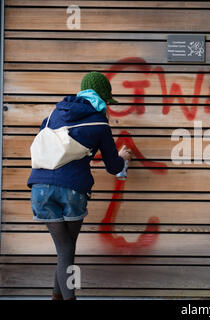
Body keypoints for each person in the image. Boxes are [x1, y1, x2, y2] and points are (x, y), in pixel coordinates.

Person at [27, 72, 132, 300]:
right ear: (102, 98)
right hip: (72, 190)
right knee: (66, 249)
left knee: (65, 249)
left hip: (40, 189)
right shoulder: (99, 122)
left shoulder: (55, 113)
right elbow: (113, 167)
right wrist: (122, 156)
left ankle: (56, 296)